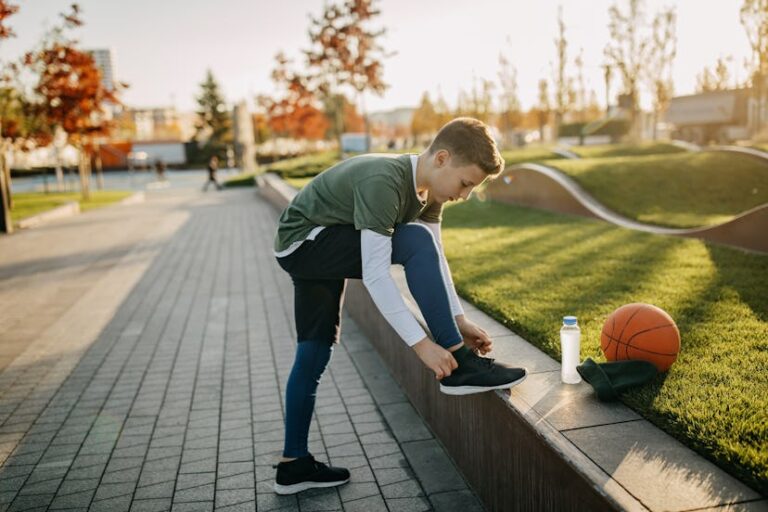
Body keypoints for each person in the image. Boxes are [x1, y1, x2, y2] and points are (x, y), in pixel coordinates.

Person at [271, 118, 527, 495]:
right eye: (466, 183)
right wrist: (424, 346)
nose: (466, 194)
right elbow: (377, 274)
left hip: (312, 245)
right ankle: (460, 367)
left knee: (314, 350)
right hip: (306, 242)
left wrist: (458, 319)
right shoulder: (386, 182)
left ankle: (293, 466)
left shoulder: (429, 194)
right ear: (442, 158)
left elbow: (435, 259)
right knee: (414, 239)